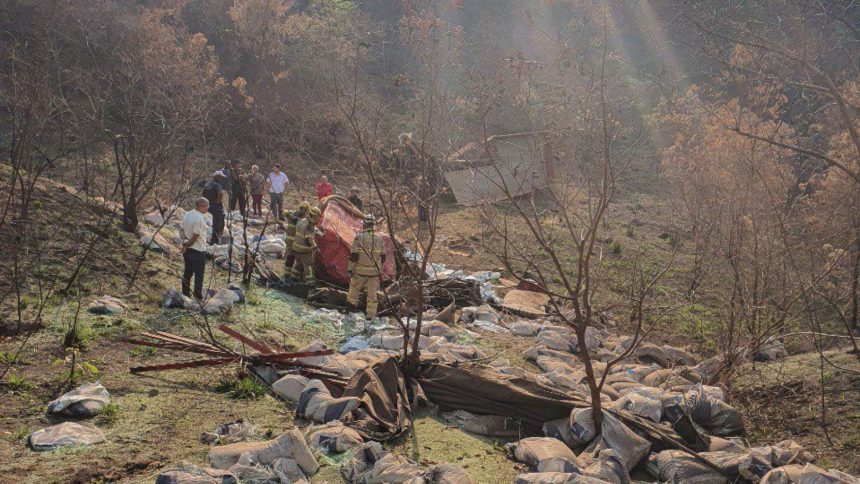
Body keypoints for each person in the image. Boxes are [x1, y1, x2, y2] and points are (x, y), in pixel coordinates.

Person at [347, 214, 386, 319]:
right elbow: (383, 257)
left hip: (359, 271)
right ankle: (371, 316)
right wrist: (380, 270)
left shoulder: (359, 238)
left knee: (353, 292)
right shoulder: (380, 239)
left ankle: (350, 311)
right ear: (373, 225)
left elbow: (354, 256)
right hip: (374, 273)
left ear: (364, 224)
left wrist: (350, 269)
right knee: (372, 295)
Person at [180, 198, 210, 300]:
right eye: (207, 206)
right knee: (199, 275)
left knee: (187, 273)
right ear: (201, 206)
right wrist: (187, 244)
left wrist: (184, 242)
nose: (208, 208)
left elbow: (181, 229)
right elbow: (195, 236)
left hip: (188, 250)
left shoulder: (187, 214)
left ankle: (185, 294)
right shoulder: (199, 219)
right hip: (198, 250)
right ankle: (198, 296)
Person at [289, 206, 322, 283]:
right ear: (314, 216)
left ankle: (293, 278)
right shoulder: (310, 226)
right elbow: (309, 239)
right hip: (304, 250)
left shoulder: (302, 220)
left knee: (298, 263)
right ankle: (311, 283)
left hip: (295, 248)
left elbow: (303, 231)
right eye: (317, 218)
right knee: (309, 265)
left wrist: (320, 233)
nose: (318, 220)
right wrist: (316, 248)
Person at [282, 201, 311, 273]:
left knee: (297, 258)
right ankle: (287, 274)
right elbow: (284, 213)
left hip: (297, 241)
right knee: (291, 257)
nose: (305, 211)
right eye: (304, 209)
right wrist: (290, 215)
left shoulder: (302, 218)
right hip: (291, 240)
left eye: (305, 210)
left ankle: (293, 274)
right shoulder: (294, 215)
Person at [203, 172, 228, 244]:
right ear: (217, 177)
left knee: (210, 222)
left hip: (207, 205)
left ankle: (208, 238)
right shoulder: (217, 184)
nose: (222, 179)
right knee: (217, 222)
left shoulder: (208, 184)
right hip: (216, 206)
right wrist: (218, 201)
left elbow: (203, 194)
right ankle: (214, 240)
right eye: (221, 177)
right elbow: (220, 192)